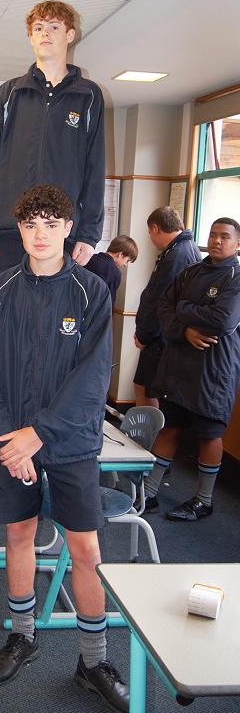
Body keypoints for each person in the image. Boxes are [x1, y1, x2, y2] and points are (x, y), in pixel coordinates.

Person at [0, 183, 129, 713]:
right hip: (9, 441)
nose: (40, 234)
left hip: (70, 442)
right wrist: (10, 441)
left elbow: (92, 379)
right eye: (30, 225)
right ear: (20, 230)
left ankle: (94, 661)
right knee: (18, 536)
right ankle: (22, 635)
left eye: (50, 224)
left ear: (68, 229)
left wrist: (39, 434)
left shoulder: (91, 292)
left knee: (85, 551)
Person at [0, 0, 105, 289]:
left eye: (54, 27)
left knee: (54, 312)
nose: (45, 33)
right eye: (39, 28)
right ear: (30, 36)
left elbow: (95, 168)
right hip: (8, 230)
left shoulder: (89, 96)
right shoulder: (9, 94)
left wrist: (89, 234)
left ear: (70, 34)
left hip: (60, 233)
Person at [143, 218, 240, 521]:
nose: (217, 240)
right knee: (170, 425)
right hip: (179, 363)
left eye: (225, 236)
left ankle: (203, 500)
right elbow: (164, 306)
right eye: (213, 234)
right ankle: (148, 493)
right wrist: (184, 331)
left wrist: (184, 308)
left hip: (214, 369)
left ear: (237, 243)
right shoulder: (191, 271)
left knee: (209, 433)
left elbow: (223, 320)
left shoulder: (236, 277)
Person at [133, 207, 201, 408]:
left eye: (149, 232)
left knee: (147, 389)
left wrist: (145, 335)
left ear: (155, 228)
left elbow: (160, 301)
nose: (150, 238)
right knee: (145, 387)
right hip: (163, 335)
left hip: (161, 337)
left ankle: (149, 429)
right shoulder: (184, 249)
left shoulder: (177, 255)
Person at [86, 235, 138, 306]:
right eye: (127, 261)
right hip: (96, 310)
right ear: (121, 255)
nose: (125, 265)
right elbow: (109, 301)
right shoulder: (115, 273)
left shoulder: (89, 259)